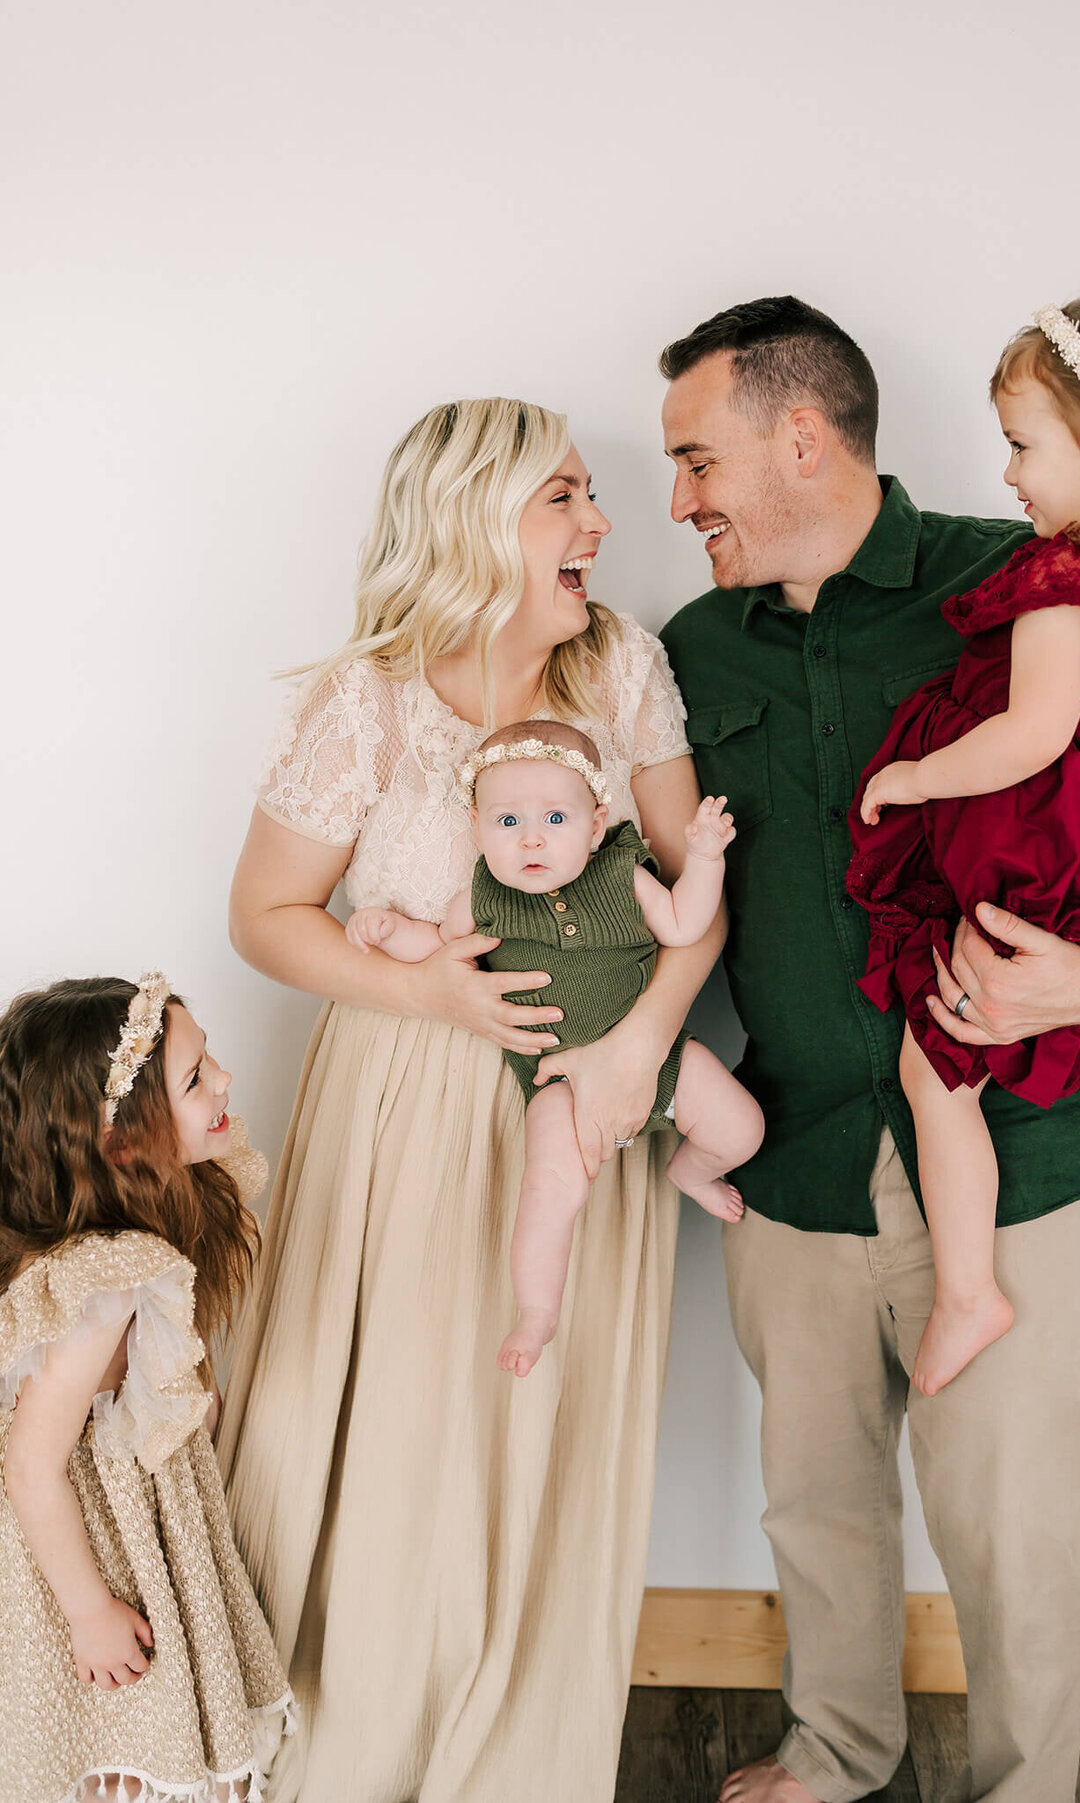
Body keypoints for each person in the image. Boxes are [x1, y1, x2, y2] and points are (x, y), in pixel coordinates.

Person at [657, 296, 1080, 1803]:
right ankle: (838, 1750)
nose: (681, 500)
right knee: (816, 1504)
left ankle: (1030, 1786)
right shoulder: (689, 650)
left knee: (1027, 1528)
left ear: (804, 437)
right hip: (803, 1154)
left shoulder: (1027, 584)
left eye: (698, 459)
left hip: (1035, 1153)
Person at [216, 398, 717, 1803]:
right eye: (567, 496)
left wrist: (641, 1057)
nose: (603, 526)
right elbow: (267, 913)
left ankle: (513, 1755)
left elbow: (695, 901)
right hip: (405, 1103)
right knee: (402, 1417)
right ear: (477, 518)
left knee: (537, 1409)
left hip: (587, 1097)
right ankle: (355, 1734)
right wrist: (435, 994)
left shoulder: (624, 668)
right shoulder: (368, 697)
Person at [845, 291, 1080, 1397]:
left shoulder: (1065, 573)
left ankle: (967, 1291)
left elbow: (1032, 732)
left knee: (932, 1056)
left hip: (1055, 856)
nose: (1006, 477)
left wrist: (912, 777)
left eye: (1021, 445)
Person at [345, 718, 763, 1374]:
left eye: (555, 819)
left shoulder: (624, 874)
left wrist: (706, 858)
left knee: (743, 1128)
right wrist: (391, 928)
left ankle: (693, 1168)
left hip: (660, 1057)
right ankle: (537, 1312)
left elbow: (686, 923)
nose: (531, 836)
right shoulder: (485, 896)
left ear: (596, 825)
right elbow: (437, 944)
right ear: (479, 831)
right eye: (507, 822)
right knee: (547, 1187)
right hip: (557, 1080)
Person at [0, 973, 292, 1803]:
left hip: (145, 1486)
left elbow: (169, 1355)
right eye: (196, 1078)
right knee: (126, 1701)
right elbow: (29, 1464)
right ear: (122, 1143)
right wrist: (89, 1608)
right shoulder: (103, 1285)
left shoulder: (146, 1220)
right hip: (89, 1525)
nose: (225, 1081)